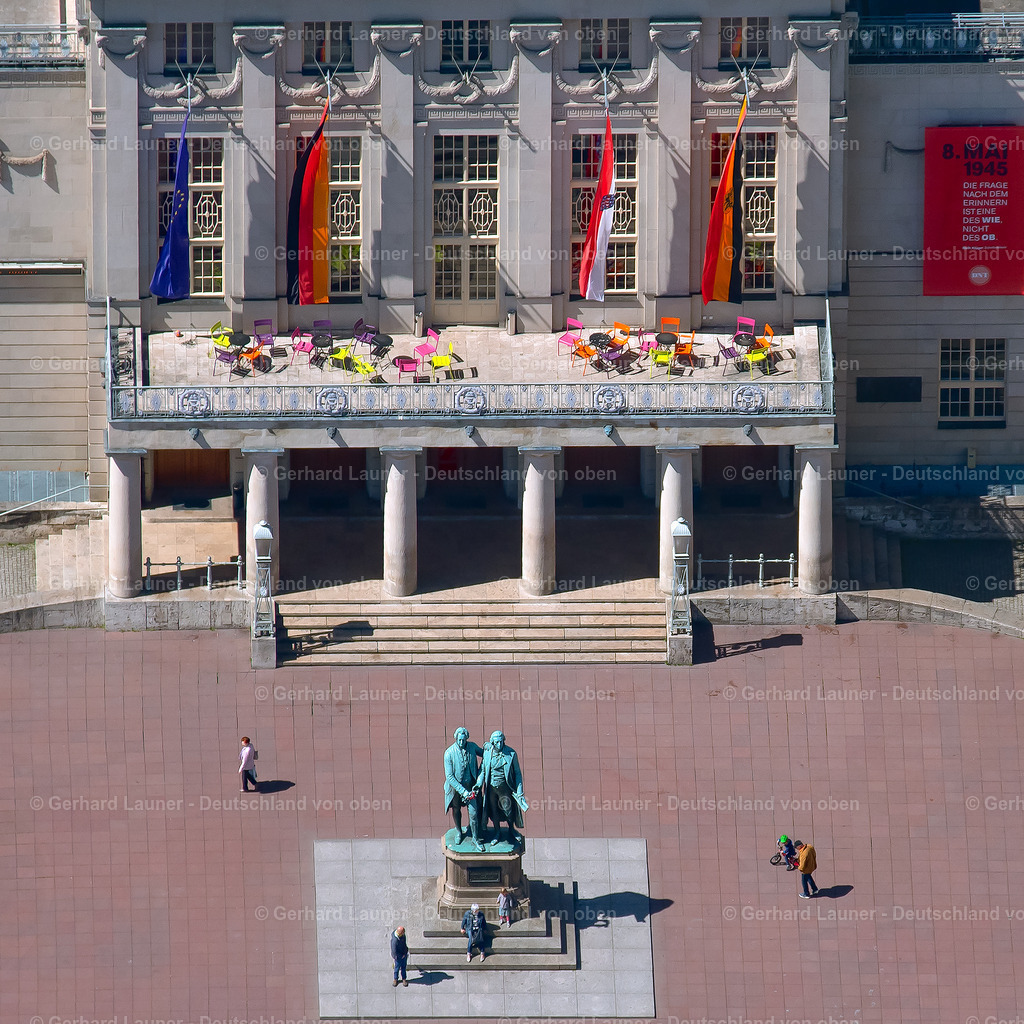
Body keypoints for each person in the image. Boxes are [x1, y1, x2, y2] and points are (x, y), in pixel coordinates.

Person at [476, 731, 529, 846]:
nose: (499, 745)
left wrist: (519, 791)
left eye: (501, 742)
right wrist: (478, 784)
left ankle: (511, 829)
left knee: (508, 810)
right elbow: (483, 771)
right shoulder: (487, 753)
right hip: (491, 789)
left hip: (505, 788)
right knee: (493, 811)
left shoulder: (511, 754)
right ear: (493, 742)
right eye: (497, 742)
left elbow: (518, 773)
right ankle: (497, 832)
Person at [444, 727, 484, 850]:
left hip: (471, 787)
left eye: (464, 739)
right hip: (456, 788)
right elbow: (450, 776)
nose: (461, 742)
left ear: (467, 738)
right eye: (459, 740)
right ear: (456, 738)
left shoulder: (472, 747)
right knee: (456, 809)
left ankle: (475, 838)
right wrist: (463, 792)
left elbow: (484, 754)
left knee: (473, 813)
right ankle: (459, 831)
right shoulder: (449, 753)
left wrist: (488, 747)